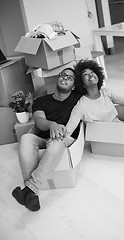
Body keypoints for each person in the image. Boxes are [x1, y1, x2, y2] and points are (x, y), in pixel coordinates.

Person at [12, 67, 82, 211]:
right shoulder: (41, 101)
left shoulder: (77, 98)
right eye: (63, 75)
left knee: (57, 142)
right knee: (25, 138)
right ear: (57, 78)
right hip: (43, 139)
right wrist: (52, 125)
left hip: (62, 140)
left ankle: (30, 189)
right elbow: (38, 121)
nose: (65, 78)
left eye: (70, 78)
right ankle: (31, 193)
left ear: (74, 85)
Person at [65, 59, 124, 137]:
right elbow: (69, 129)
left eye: (92, 72)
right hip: (114, 136)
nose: (91, 74)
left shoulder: (106, 92)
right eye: (85, 74)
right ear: (81, 83)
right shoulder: (81, 105)